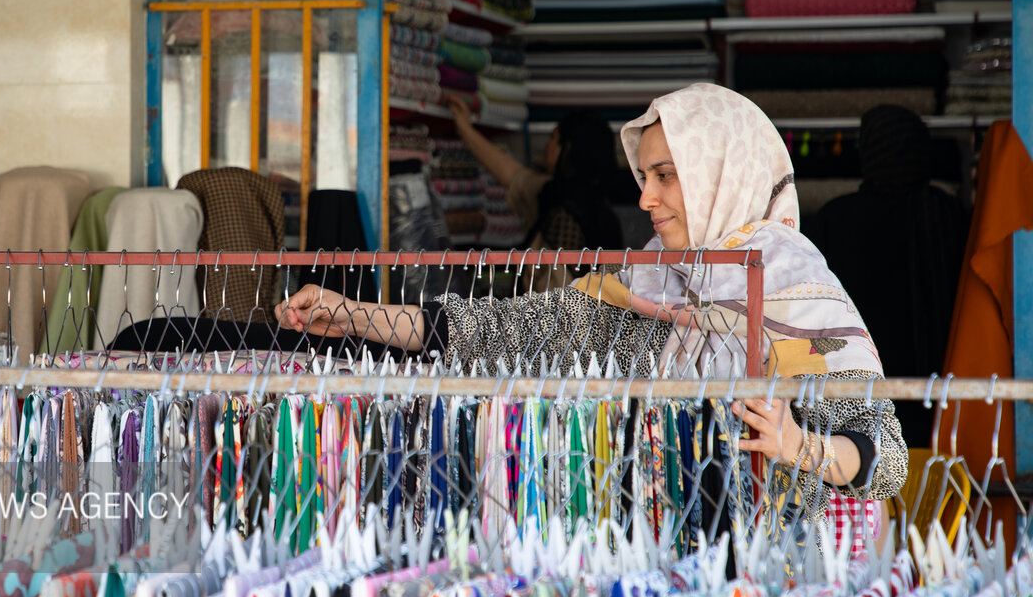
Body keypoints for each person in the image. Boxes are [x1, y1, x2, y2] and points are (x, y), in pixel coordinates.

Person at [279, 83, 907, 553]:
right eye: (643, 175)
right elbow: (501, 332)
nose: (644, 197)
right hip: (649, 570)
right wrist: (356, 315)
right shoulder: (644, 283)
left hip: (774, 585)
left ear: (723, 174)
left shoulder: (798, 294)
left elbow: (887, 456)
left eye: (666, 176)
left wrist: (801, 446)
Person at [810, 105, 968, 449]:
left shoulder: (835, 218)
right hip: (942, 389)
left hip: (859, 391)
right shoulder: (945, 213)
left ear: (867, 151)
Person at [445, 96, 624, 292]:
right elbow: (514, 176)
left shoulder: (555, 200)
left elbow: (513, 176)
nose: (547, 146)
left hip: (555, 317)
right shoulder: (607, 218)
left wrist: (464, 128)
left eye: (553, 139)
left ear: (568, 148)